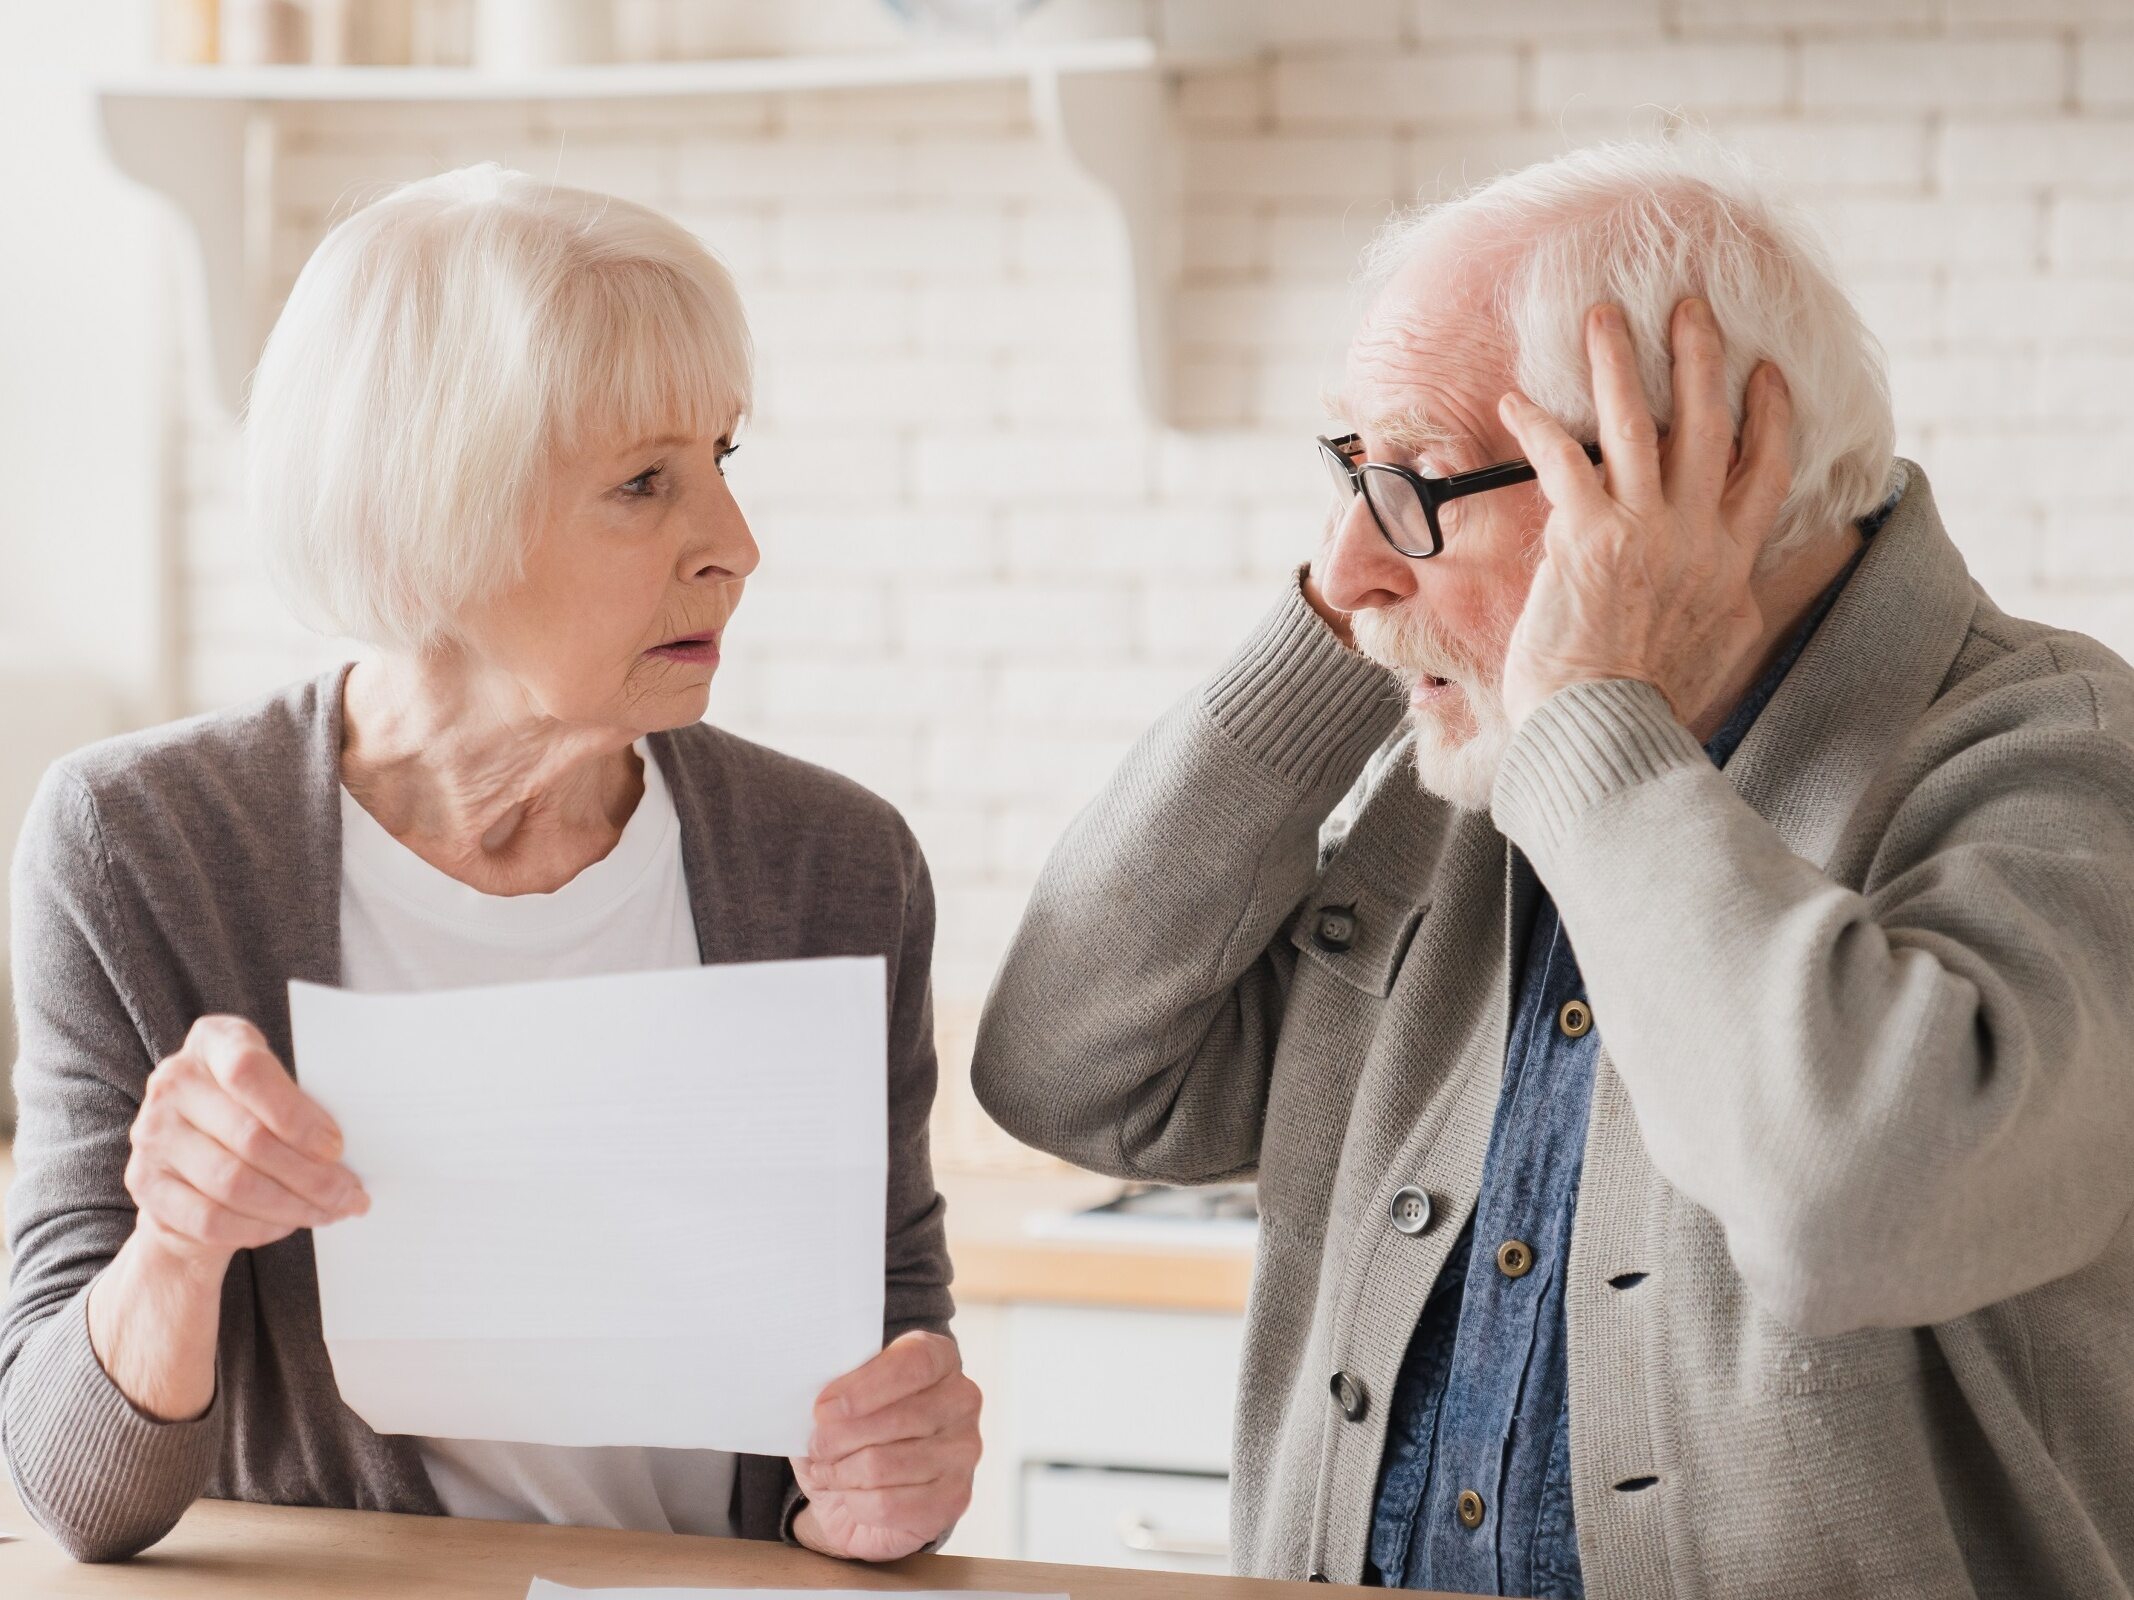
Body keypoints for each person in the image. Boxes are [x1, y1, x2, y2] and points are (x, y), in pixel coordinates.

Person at [971, 138, 2134, 1597]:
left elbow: (1859, 1211)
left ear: (1682, 478)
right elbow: (1067, 1070)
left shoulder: (2059, 762)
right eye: (1352, 471)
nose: (1343, 566)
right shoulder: (1459, 785)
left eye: (1409, 481)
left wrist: (1593, 720)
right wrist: (1358, 652)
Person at [2, 165, 978, 1565]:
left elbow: (883, 1358)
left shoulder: (832, 863)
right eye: (644, 483)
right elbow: (74, 1502)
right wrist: (177, 1242)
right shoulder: (142, 844)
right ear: (427, 516)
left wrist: (895, 1480)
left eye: (723, 460)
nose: (736, 548)